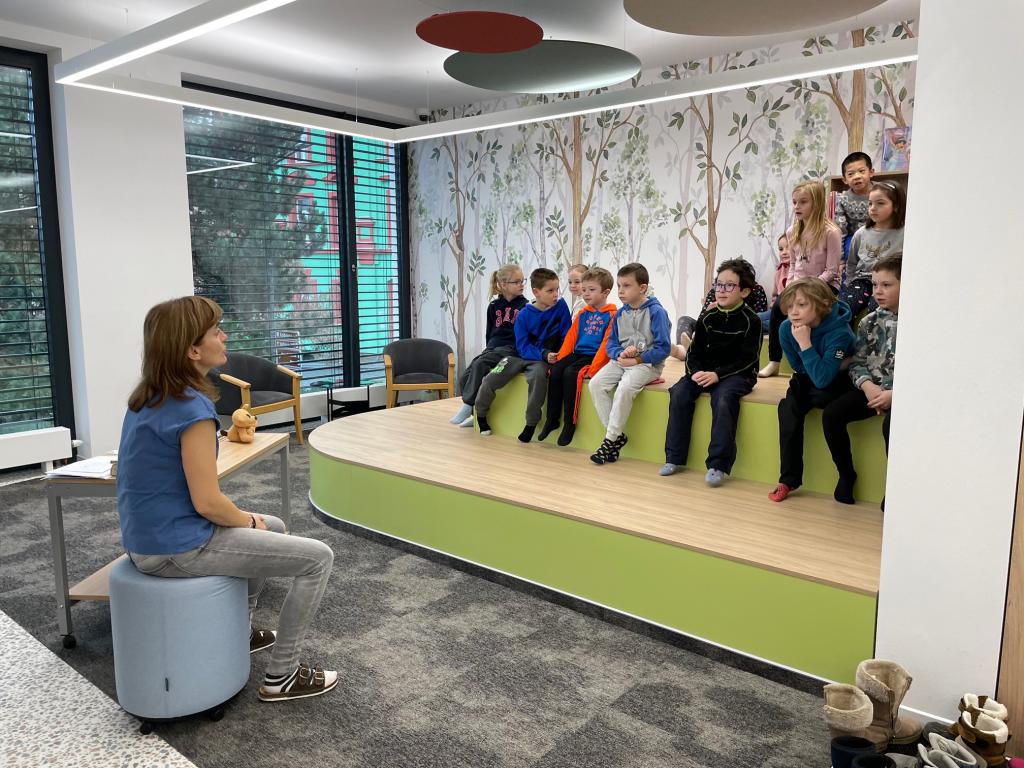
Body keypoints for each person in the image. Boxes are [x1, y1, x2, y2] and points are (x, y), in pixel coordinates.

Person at [117, 296, 336, 702]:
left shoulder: (148, 398)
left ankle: (240, 632)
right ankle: (282, 675)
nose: (225, 337)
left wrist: (252, 522)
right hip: (175, 548)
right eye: (216, 332)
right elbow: (207, 503)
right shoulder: (191, 410)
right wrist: (247, 520)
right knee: (318, 558)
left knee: (274, 526)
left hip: (146, 539)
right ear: (192, 350)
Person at [660, 260, 763, 486]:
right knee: (679, 392)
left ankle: (718, 465)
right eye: (719, 284)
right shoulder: (707, 317)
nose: (722, 290)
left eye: (729, 285)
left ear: (744, 291)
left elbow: (748, 359)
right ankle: (673, 457)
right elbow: (694, 352)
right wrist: (695, 373)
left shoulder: (752, 320)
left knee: (724, 398)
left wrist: (717, 375)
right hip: (705, 371)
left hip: (738, 374)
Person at [767, 278, 856, 502]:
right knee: (788, 408)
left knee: (828, 405)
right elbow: (798, 367)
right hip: (809, 377)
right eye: (790, 306)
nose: (794, 312)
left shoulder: (840, 333)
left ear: (823, 303)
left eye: (802, 305)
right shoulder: (786, 329)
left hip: (838, 382)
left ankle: (846, 476)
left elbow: (824, 379)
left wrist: (806, 344)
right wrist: (822, 362)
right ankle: (788, 480)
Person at [822, 255, 901, 505]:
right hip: (872, 390)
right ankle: (846, 475)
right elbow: (857, 362)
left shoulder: (920, 324)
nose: (877, 291)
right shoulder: (869, 321)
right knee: (832, 414)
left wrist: (894, 395)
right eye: (875, 285)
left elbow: (925, 372)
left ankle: (896, 489)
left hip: (900, 395)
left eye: (886, 285)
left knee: (892, 426)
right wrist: (867, 386)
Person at [474, 267, 570, 442]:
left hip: (541, 362)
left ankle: (531, 424)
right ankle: (480, 415)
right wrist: (544, 353)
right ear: (536, 292)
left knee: (538, 378)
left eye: (557, 289)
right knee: (490, 379)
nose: (555, 294)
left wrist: (558, 356)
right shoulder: (524, 315)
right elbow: (522, 346)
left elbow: (567, 336)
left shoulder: (561, 308)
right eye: (550, 291)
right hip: (518, 357)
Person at [588, 262, 671, 465]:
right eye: (619, 286)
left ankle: (609, 440)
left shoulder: (657, 312)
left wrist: (638, 359)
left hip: (647, 365)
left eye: (626, 286)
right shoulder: (620, 314)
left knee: (624, 388)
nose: (620, 291)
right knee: (595, 384)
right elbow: (611, 344)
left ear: (642, 288)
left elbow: (663, 348)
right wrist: (620, 354)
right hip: (621, 361)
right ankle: (618, 437)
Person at [759, 181, 842, 378]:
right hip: (799, 285)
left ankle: (811, 361)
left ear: (817, 203)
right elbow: (794, 265)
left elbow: (832, 270)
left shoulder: (831, 232)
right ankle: (774, 361)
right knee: (778, 308)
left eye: (803, 202)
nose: (797, 206)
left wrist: (809, 288)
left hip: (824, 285)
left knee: (808, 310)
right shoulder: (792, 231)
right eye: (795, 202)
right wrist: (789, 287)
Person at [538, 267, 616, 447]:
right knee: (556, 370)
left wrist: (594, 369)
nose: (586, 293)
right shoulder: (583, 313)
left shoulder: (612, 315)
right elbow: (571, 338)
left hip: (592, 357)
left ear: (605, 293)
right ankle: (552, 419)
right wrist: (560, 357)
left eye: (591, 290)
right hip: (577, 353)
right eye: (585, 289)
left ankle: (570, 423)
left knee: (570, 374)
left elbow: (606, 345)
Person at [450, 264, 527, 427]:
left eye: (522, 281)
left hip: (511, 349)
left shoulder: (525, 307)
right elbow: (489, 332)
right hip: (493, 348)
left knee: (480, 364)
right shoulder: (493, 306)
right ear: (504, 284)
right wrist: (488, 350)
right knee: (465, 376)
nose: (521, 285)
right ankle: (475, 415)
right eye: (517, 282)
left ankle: (468, 405)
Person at [839, 181, 905, 322]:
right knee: (843, 308)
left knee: (876, 312)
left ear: (896, 206)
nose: (873, 208)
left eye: (880, 203)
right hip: (862, 280)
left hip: (888, 283)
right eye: (870, 204)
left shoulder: (904, 233)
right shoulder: (861, 233)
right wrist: (849, 283)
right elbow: (851, 263)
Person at [834, 151, 875, 265]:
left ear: (871, 172)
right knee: (849, 250)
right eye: (851, 174)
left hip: (880, 235)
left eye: (861, 171)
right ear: (844, 180)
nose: (857, 177)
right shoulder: (842, 199)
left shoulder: (883, 192)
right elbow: (840, 230)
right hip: (854, 237)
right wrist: (840, 261)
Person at [759, 234, 791, 333]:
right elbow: (775, 294)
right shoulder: (779, 271)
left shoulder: (800, 271)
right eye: (781, 249)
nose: (784, 252)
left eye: (788, 248)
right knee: (756, 317)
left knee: (773, 325)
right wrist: (774, 303)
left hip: (790, 312)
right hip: (777, 309)